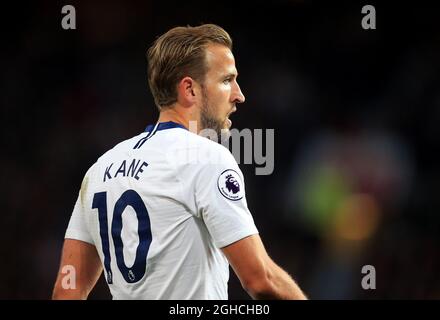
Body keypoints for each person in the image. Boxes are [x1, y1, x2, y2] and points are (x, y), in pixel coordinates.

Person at [52, 24, 307, 300]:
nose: (238, 94)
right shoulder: (207, 157)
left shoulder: (101, 169)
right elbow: (261, 280)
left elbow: (68, 290)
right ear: (190, 90)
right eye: (226, 80)